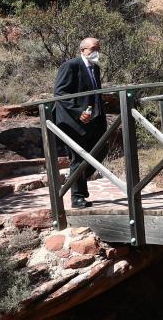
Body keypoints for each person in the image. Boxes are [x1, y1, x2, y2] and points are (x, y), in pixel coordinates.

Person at [53, 38, 107, 209]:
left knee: (100, 151)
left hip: (93, 120)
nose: (96, 51)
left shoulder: (95, 68)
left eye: (98, 48)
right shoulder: (71, 65)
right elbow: (60, 93)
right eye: (93, 48)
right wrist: (78, 112)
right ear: (82, 49)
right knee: (78, 157)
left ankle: (75, 179)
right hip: (73, 121)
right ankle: (78, 197)